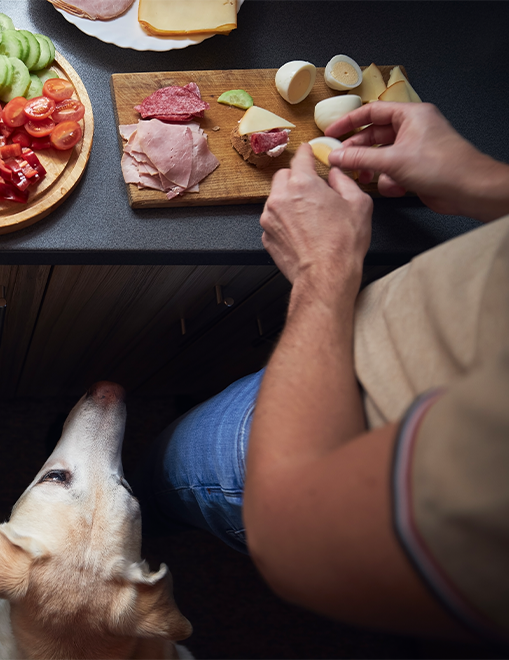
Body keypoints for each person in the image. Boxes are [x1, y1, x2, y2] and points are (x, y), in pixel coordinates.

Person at [133, 102, 509, 645]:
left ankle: (142, 514)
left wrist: (321, 271)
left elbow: (295, 542)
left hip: (333, 443)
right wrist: (482, 180)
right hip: (366, 342)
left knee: (170, 463)